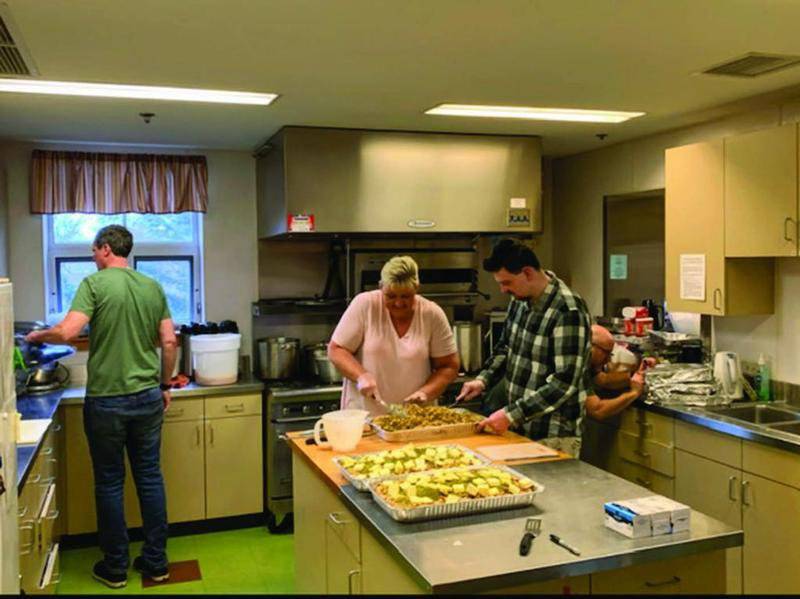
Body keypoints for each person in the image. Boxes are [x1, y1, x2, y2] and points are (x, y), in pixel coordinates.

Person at [26, 225, 177, 588]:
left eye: (94, 251)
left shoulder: (94, 285)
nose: (92, 257)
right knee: (150, 478)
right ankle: (156, 563)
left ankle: (115, 567)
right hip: (147, 398)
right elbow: (169, 341)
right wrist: (164, 384)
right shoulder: (152, 286)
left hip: (107, 401)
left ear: (106, 249)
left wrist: (35, 336)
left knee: (110, 483)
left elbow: (67, 332)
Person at [455, 239, 592, 457]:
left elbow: (563, 383)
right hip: (519, 426)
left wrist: (511, 414)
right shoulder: (519, 300)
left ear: (527, 272)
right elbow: (505, 348)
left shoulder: (568, 310)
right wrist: (483, 379)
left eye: (507, 283)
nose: (503, 289)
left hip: (553, 433)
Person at [328, 255, 460, 416]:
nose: (398, 303)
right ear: (381, 287)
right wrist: (361, 376)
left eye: (406, 296)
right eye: (391, 296)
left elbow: (449, 366)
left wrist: (426, 392)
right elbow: (336, 350)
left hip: (415, 418)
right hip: (364, 419)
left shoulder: (431, 314)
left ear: (416, 288)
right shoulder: (365, 305)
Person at [584, 324, 656, 421]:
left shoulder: (589, 363)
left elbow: (603, 380)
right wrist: (634, 393)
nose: (608, 359)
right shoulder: (577, 366)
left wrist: (636, 373)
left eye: (611, 354)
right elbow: (597, 410)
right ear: (591, 346)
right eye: (606, 353)